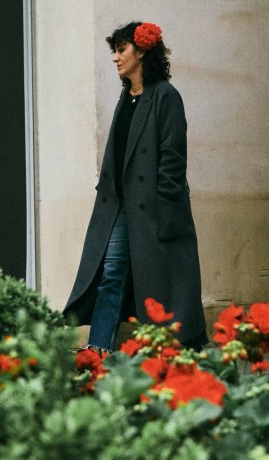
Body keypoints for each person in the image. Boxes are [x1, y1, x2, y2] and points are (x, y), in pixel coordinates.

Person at [64, 20, 208, 352]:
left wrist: (165, 209)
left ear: (141, 51)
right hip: (118, 203)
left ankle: (170, 348)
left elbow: (173, 158)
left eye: (120, 50)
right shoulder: (127, 96)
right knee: (110, 272)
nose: (115, 58)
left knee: (157, 280)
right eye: (113, 51)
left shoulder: (165, 96)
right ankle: (98, 350)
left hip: (152, 207)